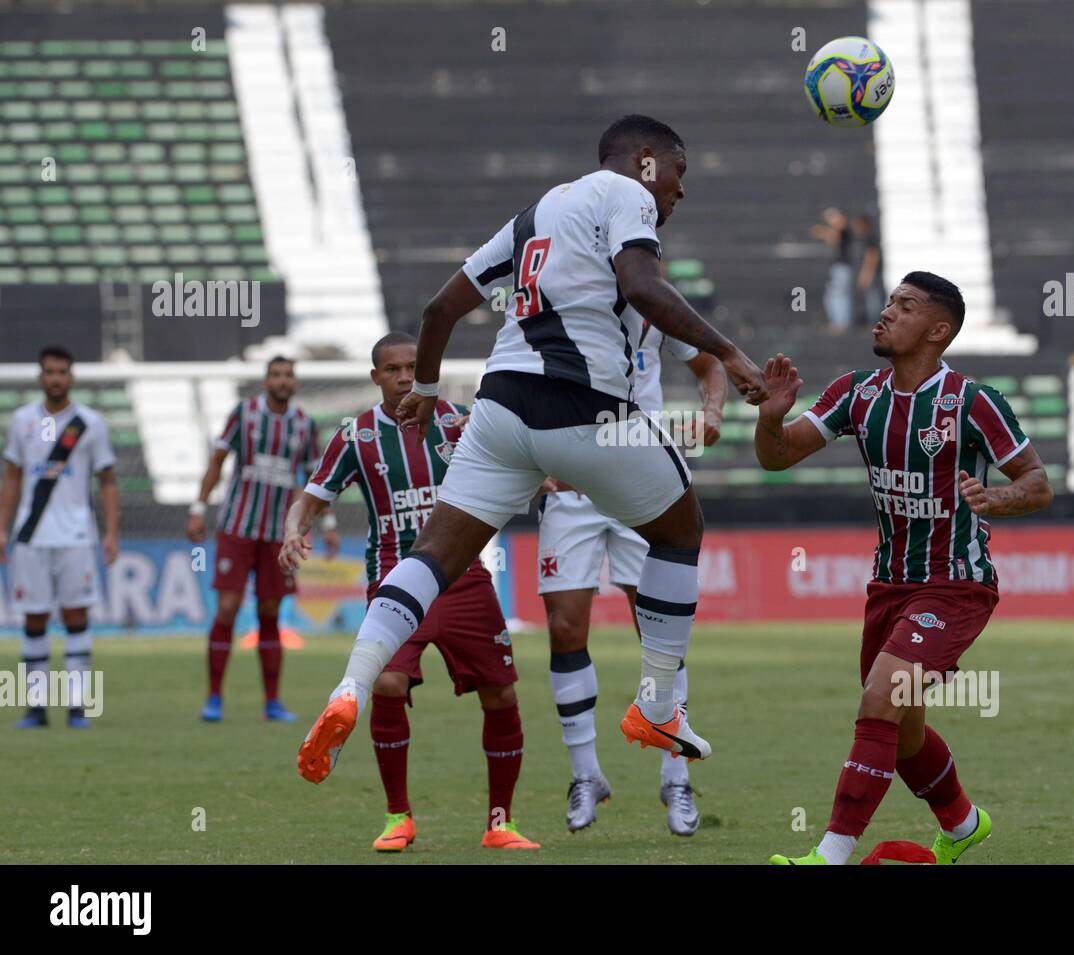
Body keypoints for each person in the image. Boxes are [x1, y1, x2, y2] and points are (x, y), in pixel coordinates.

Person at [296, 113, 768, 785]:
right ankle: (660, 704)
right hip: (587, 411)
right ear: (643, 159)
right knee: (681, 529)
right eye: (678, 172)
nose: (678, 191)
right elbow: (640, 285)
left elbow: (437, 311)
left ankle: (351, 683)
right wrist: (728, 349)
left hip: (500, 410)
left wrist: (426, 389)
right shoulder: (627, 192)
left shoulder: (535, 214)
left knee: (431, 555)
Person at [756, 272, 1053, 865]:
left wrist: (996, 499)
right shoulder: (856, 393)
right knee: (902, 736)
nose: (887, 312)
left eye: (906, 306)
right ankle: (964, 823)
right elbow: (779, 457)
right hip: (889, 585)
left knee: (879, 699)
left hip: (954, 586)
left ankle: (830, 855)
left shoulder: (973, 401)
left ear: (937, 331)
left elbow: (1037, 484)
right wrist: (770, 417)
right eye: (890, 301)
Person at [280, 332, 538, 851]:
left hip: (464, 577)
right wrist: (294, 528)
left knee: (502, 693)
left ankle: (499, 823)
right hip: (395, 577)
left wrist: (547, 474)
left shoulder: (462, 420)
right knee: (390, 685)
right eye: (392, 369)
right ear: (375, 377)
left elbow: (520, 457)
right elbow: (310, 497)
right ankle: (398, 816)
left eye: (411, 367)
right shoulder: (357, 437)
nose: (403, 377)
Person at [538, 304, 725, 834]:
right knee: (565, 628)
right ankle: (585, 775)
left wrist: (711, 412)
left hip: (642, 480)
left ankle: (676, 778)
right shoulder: (556, 303)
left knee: (658, 635)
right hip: (570, 486)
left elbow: (710, 364)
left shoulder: (651, 301)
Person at [187, 356, 332, 723]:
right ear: (266, 381)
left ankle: (272, 702)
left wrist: (325, 522)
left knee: (270, 612)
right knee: (227, 608)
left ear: (295, 383)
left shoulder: (304, 425)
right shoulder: (245, 414)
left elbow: (316, 479)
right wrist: (198, 507)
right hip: (238, 527)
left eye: (288, 375)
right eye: (276, 375)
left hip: (278, 535)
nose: (282, 381)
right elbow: (218, 461)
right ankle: (214, 697)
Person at [0, 346, 119, 729]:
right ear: (40, 376)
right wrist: (3, 528)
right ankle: (36, 708)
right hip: (31, 536)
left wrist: (112, 532)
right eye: (50, 372)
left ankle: (76, 707)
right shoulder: (21, 421)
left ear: (71, 377)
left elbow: (108, 480)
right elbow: (13, 477)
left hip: (76, 534)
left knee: (76, 617)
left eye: (62, 372)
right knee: (33, 619)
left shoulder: (90, 423)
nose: (56, 378)